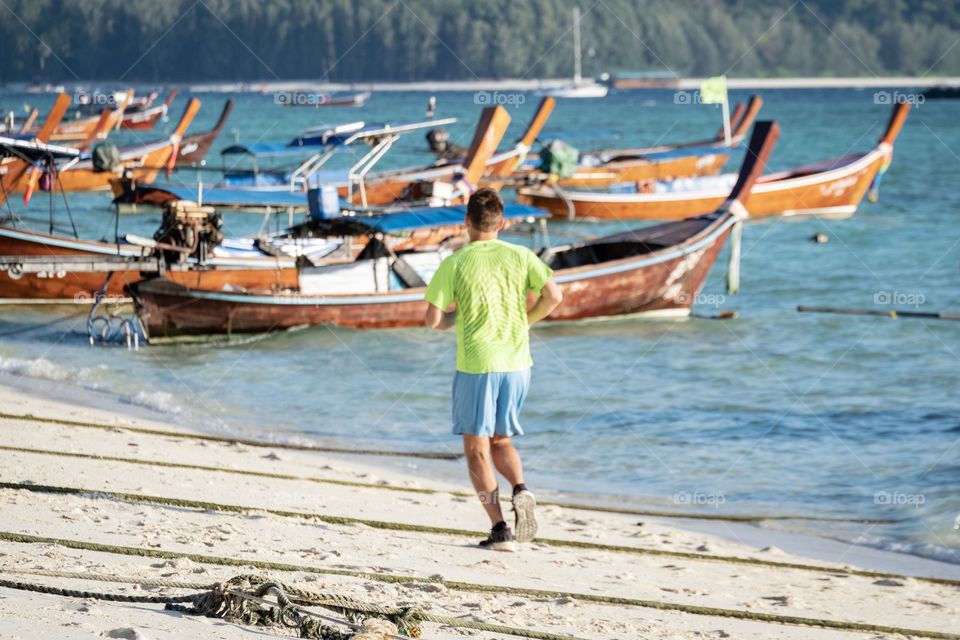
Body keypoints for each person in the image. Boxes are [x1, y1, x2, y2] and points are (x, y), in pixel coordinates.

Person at [425, 188, 563, 551]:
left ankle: (500, 528)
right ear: (503, 223)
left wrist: (454, 320)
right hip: (518, 364)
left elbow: (432, 319)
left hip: (477, 365)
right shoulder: (521, 255)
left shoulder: (455, 262)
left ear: (466, 222)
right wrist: (526, 321)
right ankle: (521, 488)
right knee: (502, 440)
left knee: (476, 449)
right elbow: (554, 296)